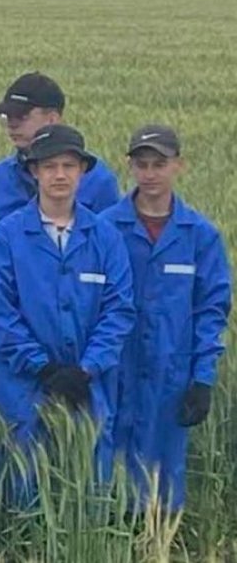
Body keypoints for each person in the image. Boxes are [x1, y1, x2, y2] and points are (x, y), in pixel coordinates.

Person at [0, 124, 134, 475]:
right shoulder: (4, 238)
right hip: (21, 391)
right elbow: (0, 315)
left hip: (88, 391)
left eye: (68, 166)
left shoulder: (106, 238)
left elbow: (119, 311)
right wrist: (44, 368)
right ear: (34, 171)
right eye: (50, 166)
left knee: (86, 490)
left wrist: (85, 369)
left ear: (83, 171)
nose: (60, 175)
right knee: (20, 488)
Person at [101, 125, 231, 509]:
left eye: (159, 164)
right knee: (107, 472)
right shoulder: (105, 228)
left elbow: (211, 310)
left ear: (179, 166)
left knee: (163, 475)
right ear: (129, 167)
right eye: (141, 164)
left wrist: (202, 378)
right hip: (114, 371)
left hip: (170, 375)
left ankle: (161, 536)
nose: (150, 174)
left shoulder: (200, 236)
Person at [0, 72, 119, 224]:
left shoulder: (98, 179)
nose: (12, 125)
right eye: (7, 117)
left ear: (52, 119)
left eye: (21, 116)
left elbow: (110, 233)